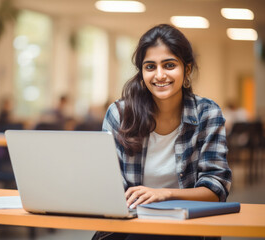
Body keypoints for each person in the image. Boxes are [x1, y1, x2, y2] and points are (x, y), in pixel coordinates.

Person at [93, 24, 231, 240]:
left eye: (169, 65)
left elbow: (216, 189)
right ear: (142, 72)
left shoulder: (207, 113)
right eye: (150, 67)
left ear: (186, 69)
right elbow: (106, 185)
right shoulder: (120, 114)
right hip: (129, 224)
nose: (160, 75)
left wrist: (164, 194)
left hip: (187, 225)